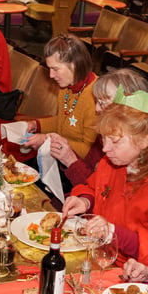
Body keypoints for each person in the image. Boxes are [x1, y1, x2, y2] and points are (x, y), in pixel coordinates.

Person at [62, 87, 148, 268]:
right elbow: (93, 186)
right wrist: (86, 201)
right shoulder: (119, 159)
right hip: (107, 255)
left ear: (144, 140)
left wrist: (113, 233)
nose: (105, 149)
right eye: (103, 139)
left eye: (115, 141)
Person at [21, 35, 98, 193]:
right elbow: (65, 121)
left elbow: (88, 151)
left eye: (55, 69)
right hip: (58, 158)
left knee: (27, 188)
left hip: (79, 169)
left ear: (75, 65)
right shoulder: (67, 87)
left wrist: (47, 140)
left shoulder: (95, 97)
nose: (50, 75)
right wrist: (37, 125)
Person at [61, 68, 148, 188]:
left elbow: (101, 191)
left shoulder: (132, 152)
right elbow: (92, 180)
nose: (97, 109)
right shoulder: (107, 134)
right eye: (97, 101)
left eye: (103, 102)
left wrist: (70, 161)